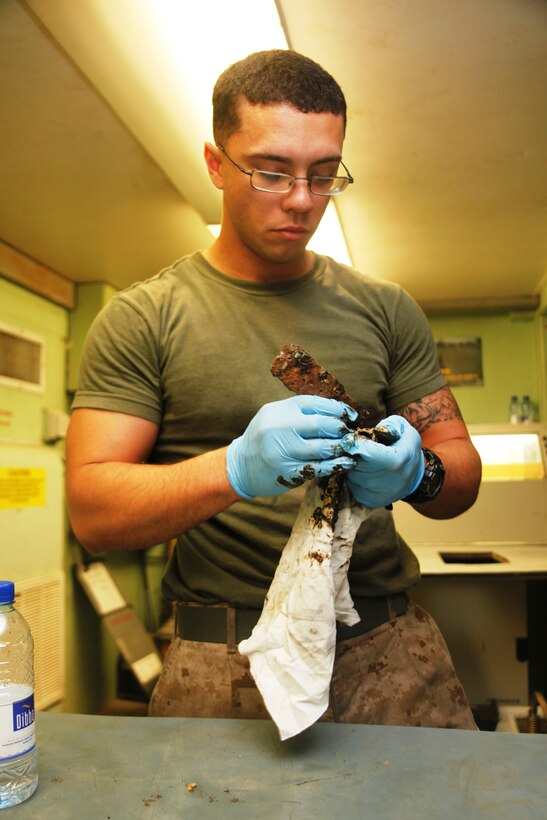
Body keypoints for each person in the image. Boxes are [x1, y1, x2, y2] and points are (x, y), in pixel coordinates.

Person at [66, 49, 482, 729]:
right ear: (213, 163)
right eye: (270, 171)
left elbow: (460, 475)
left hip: (384, 648)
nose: (300, 199)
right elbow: (93, 514)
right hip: (222, 660)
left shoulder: (385, 308)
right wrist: (233, 469)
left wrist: (418, 473)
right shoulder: (146, 316)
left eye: (323, 175)